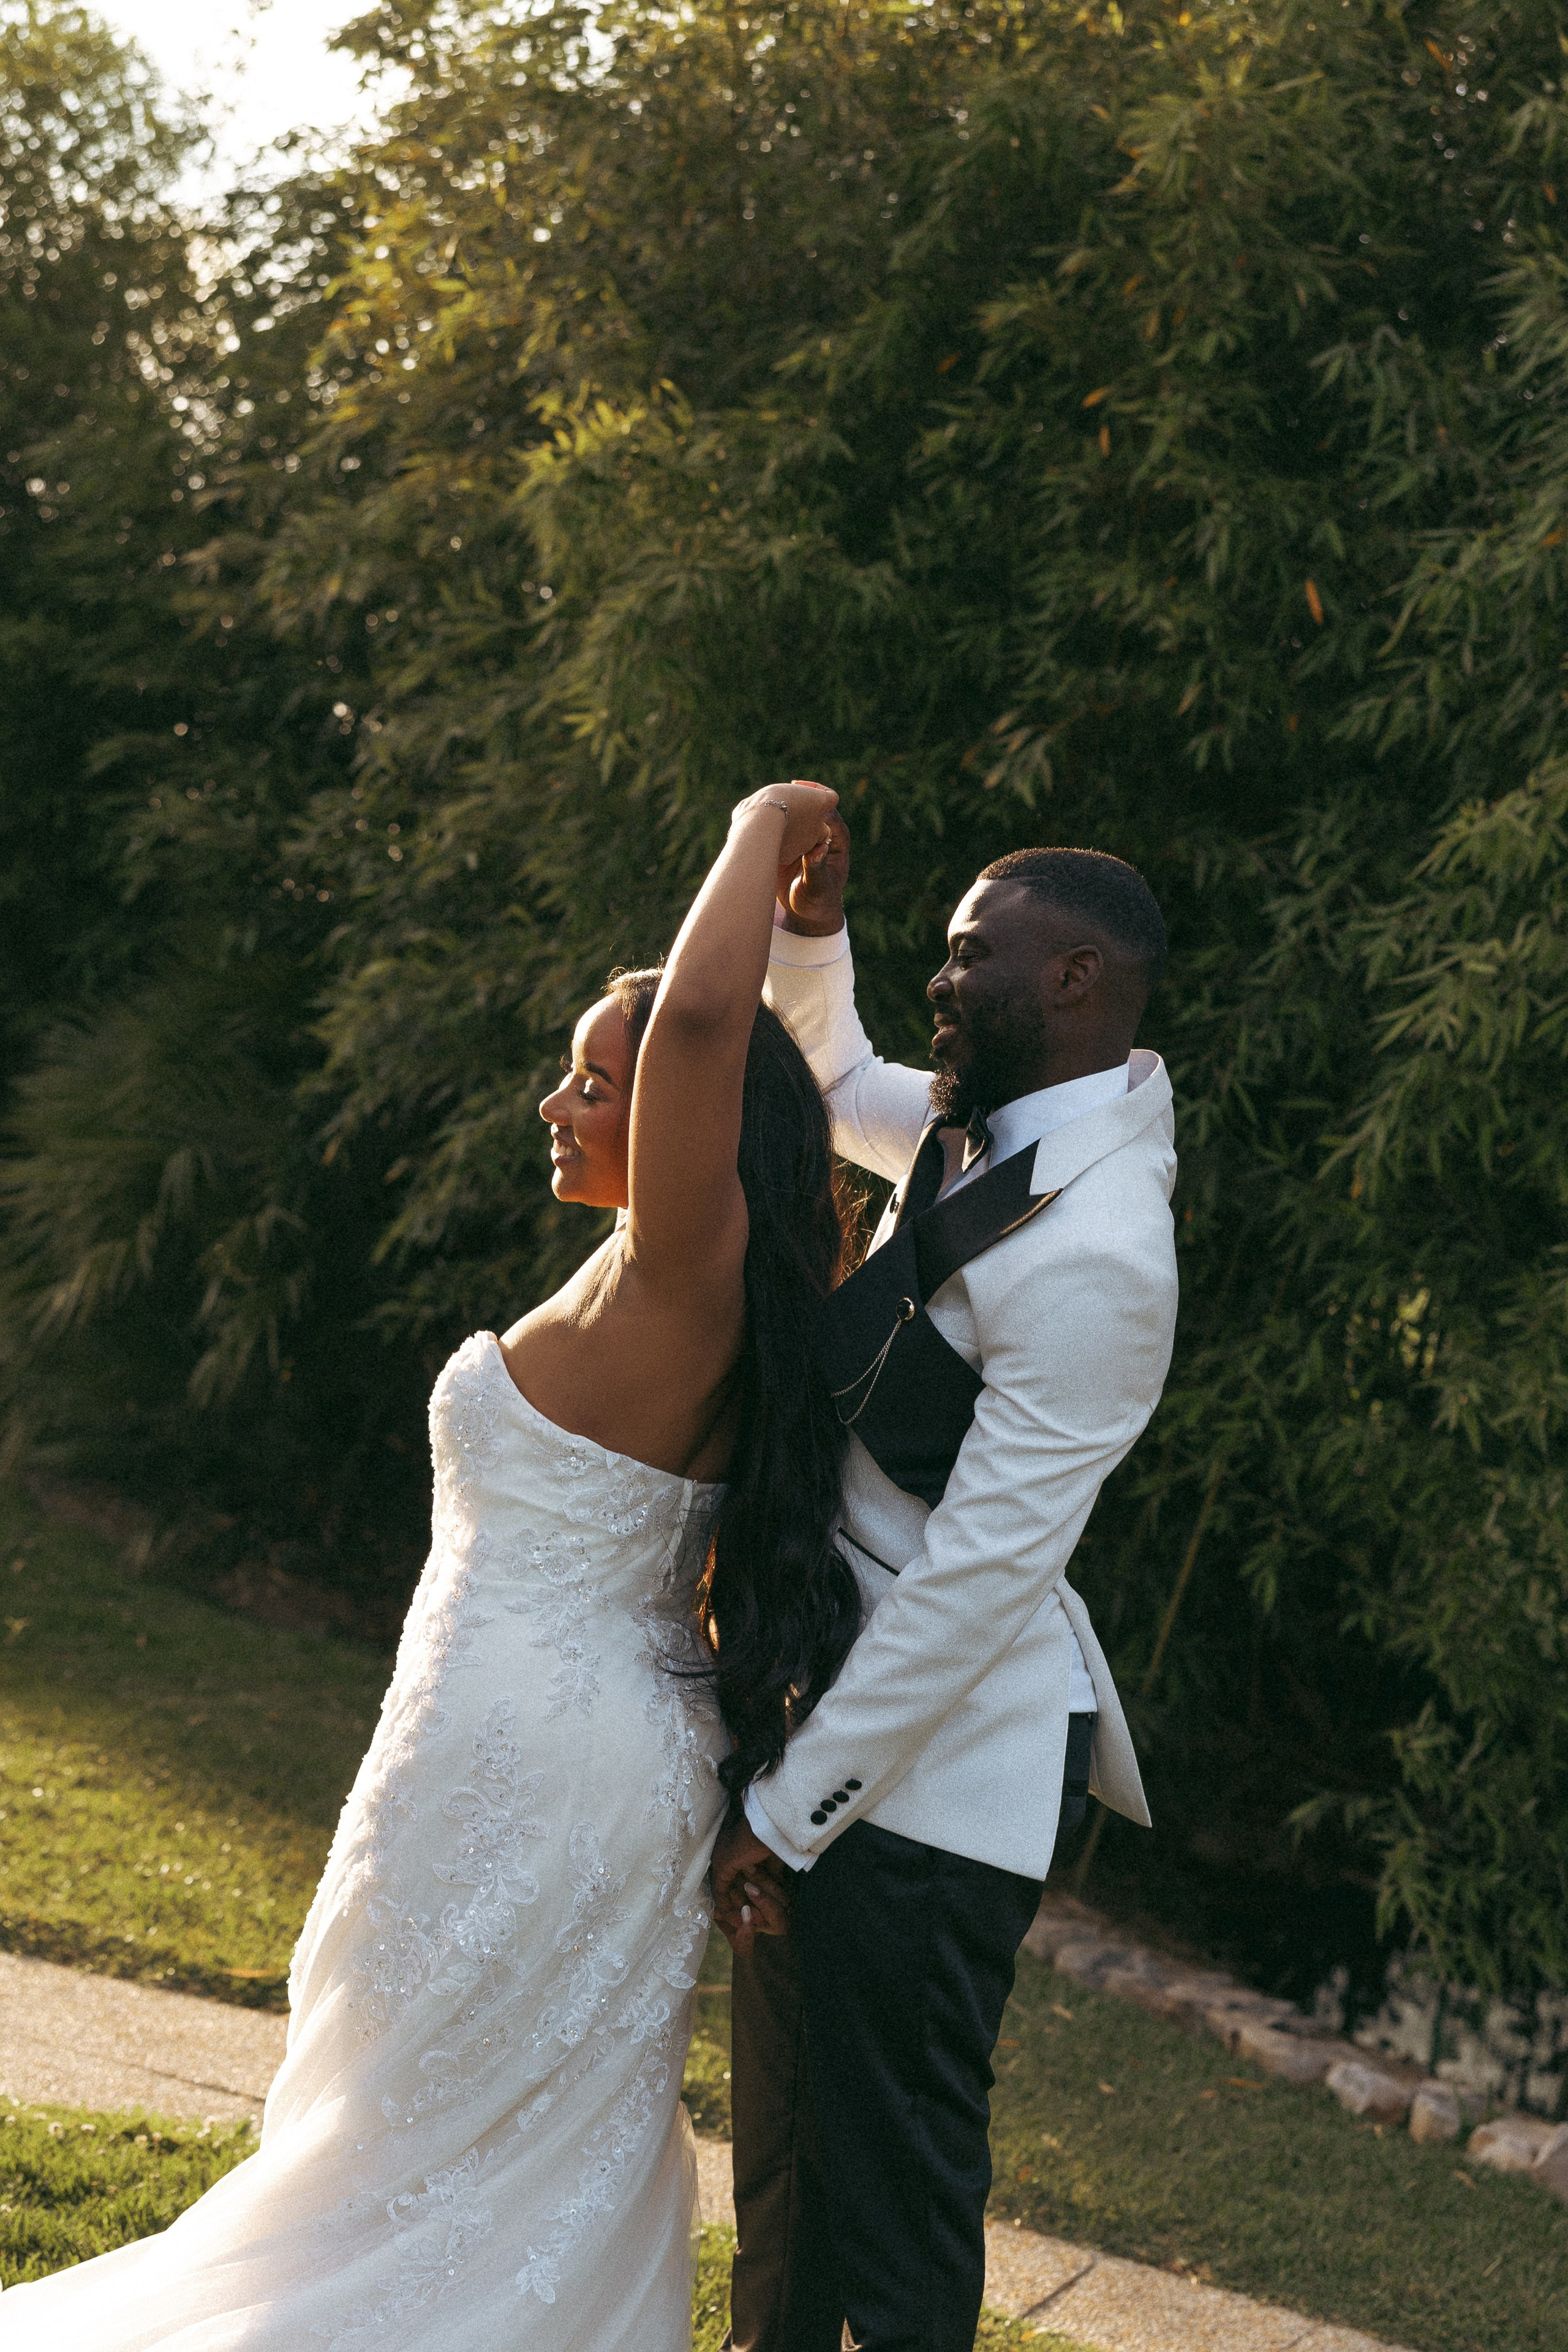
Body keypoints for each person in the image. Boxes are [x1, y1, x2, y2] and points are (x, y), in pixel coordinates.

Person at [0, 780, 859, 2352]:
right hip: (560, 1744)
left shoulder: (692, 1271)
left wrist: (766, 819)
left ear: (687, 1123)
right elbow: (735, 1060)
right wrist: (819, 933)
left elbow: (697, 1036)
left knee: (421, 2142)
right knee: (469, 2141)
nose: (561, 1102)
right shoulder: (702, 1277)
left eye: (588, 1084)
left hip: (538, 1764)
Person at [710, 818, 1179, 2352]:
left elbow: (976, 1588)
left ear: (1073, 977)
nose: (942, 968)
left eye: (973, 950)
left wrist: (788, 1813)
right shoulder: (981, 1129)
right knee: (785, 2175)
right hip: (831, 1719)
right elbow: (829, 1083)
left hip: (929, 1796)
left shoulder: (1103, 1252)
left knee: (897, 2217)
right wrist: (807, 932)